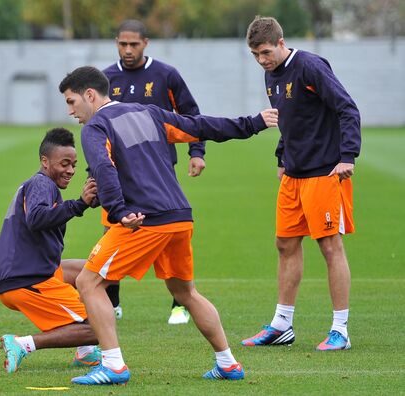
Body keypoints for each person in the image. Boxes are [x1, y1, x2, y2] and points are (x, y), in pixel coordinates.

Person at [58, 66, 278, 385]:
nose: (70, 111)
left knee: (88, 282)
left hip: (144, 220)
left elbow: (104, 170)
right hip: (179, 216)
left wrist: (118, 211)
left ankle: (113, 365)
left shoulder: (96, 128)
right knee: (184, 291)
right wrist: (252, 123)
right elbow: (200, 126)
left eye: (71, 101)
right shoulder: (150, 113)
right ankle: (228, 363)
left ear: (89, 95)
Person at [241, 16, 361, 351]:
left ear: (281, 43)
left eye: (265, 52)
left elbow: (347, 109)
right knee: (285, 244)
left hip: (325, 172)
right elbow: (289, 119)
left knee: (329, 246)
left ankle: (341, 329)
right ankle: (282, 325)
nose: (262, 60)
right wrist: (282, 157)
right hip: (294, 175)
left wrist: (348, 156)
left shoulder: (310, 66)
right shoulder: (271, 74)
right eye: (255, 55)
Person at [102, 19, 207, 325]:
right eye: (122, 44)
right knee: (113, 228)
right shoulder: (106, 78)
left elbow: (190, 115)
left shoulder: (165, 75)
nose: (128, 50)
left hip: (158, 166)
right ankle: (112, 302)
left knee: (167, 230)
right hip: (118, 169)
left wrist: (196, 152)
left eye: (134, 44)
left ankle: (179, 303)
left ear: (146, 42)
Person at [0, 128, 103, 373]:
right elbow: (37, 218)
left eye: (74, 164)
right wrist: (80, 204)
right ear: (45, 161)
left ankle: (84, 352)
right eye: (64, 164)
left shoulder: (38, 185)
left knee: (90, 270)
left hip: (24, 273)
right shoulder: (41, 183)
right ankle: (23, 344)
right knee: (99, 328)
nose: (71, 170)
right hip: (26, 280)